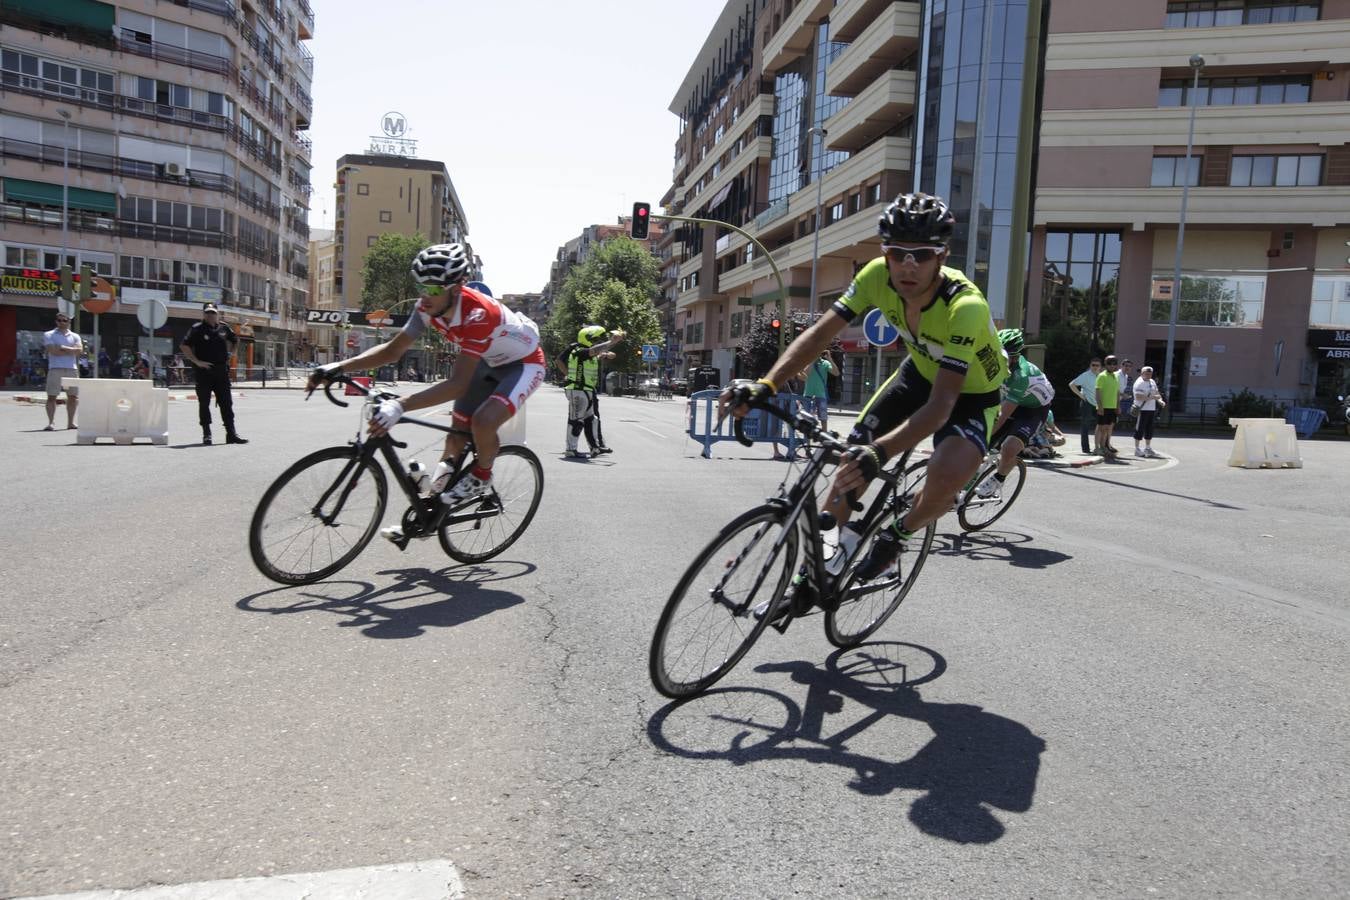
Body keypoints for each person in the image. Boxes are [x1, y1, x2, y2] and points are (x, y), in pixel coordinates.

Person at [722, 192, 1008, 602]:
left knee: (947, 475)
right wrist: (765, 384)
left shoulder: (965, 307)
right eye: (898, 253)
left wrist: (883, 449)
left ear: (942, 257)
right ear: (885, 252)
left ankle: (896, 535)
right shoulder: (875, 275)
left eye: (923, 255)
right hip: (917, 375)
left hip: (971, 394)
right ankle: (815, 572)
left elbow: (943, 405)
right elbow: (820, 334)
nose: (909, 266)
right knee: (850, 463)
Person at [308, 243, 545, 543]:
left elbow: (457, 384)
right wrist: (339, 366)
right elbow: (394, 350)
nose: (425, 296)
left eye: (433, 289)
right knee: (455, 436)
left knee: (483, 421)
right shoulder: (426, 307)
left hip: (523, 364)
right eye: (420, 286)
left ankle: (482, 476)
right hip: (488, 361)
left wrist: (400, 405)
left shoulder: (478, 314)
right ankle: (432, 509)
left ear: (456, 288)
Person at [977, 329, 1054, 498]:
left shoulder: (1021, 376)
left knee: (1009, 447)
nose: (1000, 359)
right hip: (1012, 400)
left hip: (1033, 409)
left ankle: (998, 478)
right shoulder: (992, 361)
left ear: (1016, 356)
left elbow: (1003, 416)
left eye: (1005, 356)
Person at [180, 304, 247, 445]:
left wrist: (232, 353)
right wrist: (196, 361)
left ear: (218, 314)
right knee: (204, 403)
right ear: (203, 314)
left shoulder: (224, 327)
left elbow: (235, 340)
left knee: (226, 404)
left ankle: (231, 434)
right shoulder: (197, 328)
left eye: (213, 313)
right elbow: (184, 345)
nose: (210, 315)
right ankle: (207, 434)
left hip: (221, 371)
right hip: (204, 372)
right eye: (208, 313)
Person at [560, 324, 624, 458]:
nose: (597, 342)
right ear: (587, 339)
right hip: (577, 390)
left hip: (586, 390)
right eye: (595, 339)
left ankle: (594, 448)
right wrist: (612, 342)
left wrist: (608, 353)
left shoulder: (588, 354)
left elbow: (598, 353)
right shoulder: (579, 351)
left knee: (591, 419)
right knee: (576, 420)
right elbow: (595, 351)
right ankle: (571, 449)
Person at [42, 311, 81, 431]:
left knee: (73, 396)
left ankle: (71, 422)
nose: (62, 323)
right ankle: (51, 423)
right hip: (55, 369)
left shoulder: (75, 336)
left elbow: (79, 351)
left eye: (65, 320)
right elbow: (53, 351)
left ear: (69, 322)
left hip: (71, 369)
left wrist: (63, 347)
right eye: (59, 320)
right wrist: (71, 350)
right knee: (52, 396)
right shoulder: (49, 334)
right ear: (56, 321)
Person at [1068, 358, 1102, 454]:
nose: (1095, 367)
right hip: (1087, 403)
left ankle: (1101, 447)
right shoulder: (1085, 375)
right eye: (1093, 365)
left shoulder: (1102, 376)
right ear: (1090, 366)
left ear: (1100, 367)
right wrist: (1081, 396)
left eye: (1097, 365)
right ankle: (1086, 449)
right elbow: (1071, 384)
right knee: (1085, 426)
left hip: (1099, 404)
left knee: (1102, 426)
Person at [1132, 365, 1166, 458]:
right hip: (1141, 409)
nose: (1148, 375)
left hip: (1151, 409)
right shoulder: (1139, 382)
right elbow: (1138, 397)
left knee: (1149, 429)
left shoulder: (1152, 381)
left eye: (1150, 373)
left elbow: (1156, 393)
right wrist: (1153, 398)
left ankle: (1147, 447)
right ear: (1142, 373)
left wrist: (1160, 401)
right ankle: (1137, 449)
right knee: (1140, 429)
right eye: (1146, 373)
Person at [1094, 354, 1121, 456]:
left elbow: (1117, 393)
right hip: (1103, 407)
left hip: (1112, 407)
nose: (1112, 366)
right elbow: (1097, 392)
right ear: (1106, 364)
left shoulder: (1116, 376)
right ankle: (1097, 448)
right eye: (1110, 364)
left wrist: (1118, 406)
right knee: (1100, 428)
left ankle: (1104, 447)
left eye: (1114, 364)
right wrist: (1100, 406)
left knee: (1107, 428)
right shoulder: (1101, 376)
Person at [1117, 358, 1136, 425]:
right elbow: (1112, 390)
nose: (1127, 367)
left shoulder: (1126, 376)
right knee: (1105, 425)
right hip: (1112, 402)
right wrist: (1123, 395)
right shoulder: (1117, 375)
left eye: (1129, 366)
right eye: (1126, 365)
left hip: (1118, 401)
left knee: (1110, 425)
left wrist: (1124, 395)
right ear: (1121, 366)